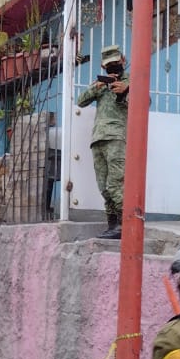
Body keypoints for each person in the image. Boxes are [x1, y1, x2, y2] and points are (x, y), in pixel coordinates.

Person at [75, 45, 129, 240]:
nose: (113, 68)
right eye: (109, 66)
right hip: (98, 139)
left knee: (116, 183)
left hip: (116, 137)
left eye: (116, 63)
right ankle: (112, 225)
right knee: (104, 186)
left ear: (123, 60)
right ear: (103, 66)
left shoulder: (130, 81)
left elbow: (143, 104)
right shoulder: (100, 85)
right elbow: (80, 101)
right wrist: (95, 87)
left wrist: (125, 91)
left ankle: (126, 225)